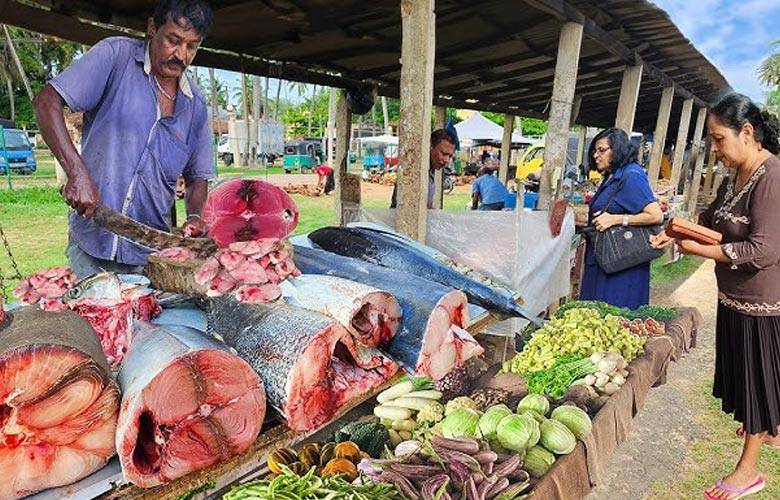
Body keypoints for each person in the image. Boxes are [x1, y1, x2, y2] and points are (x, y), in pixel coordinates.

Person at [651, 93, 780, 500]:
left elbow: (764, 250)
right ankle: (771, 427)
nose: (714, 148)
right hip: (734, 298)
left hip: (762, 304)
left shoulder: (772, 177)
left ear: (747, 132)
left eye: (719, 138)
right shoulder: (735, 176)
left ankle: (749, 471)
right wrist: (674, 231)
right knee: (752, 381)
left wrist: (702, 251)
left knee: (757, 385)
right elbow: (712, 220)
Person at [34, 0, 214, 278]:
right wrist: (77, 173)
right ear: (152, 28)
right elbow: (47, 101)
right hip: (92, 244)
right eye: (173, 40)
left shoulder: (196, 106)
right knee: (91, 306)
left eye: (192, 46)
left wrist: (194, 217)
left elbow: (198, 176)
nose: (181, 54)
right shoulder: (115, 57)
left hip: (151, 257)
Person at [580, 127, 663, 309]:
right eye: (594, 151)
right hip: (605, 260)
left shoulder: (631, 176)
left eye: (601, 150)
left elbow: (655, 215)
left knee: (614, 315)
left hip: (621, 265)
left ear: (617, 149)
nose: (596, 155)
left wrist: (616, 219)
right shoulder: (612, 176)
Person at [390, 128, 456, 209]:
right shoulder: (414, 171)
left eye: (450, 156)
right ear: (431, 146)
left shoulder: (431, 172)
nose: (446, 160)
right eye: (443, 154)